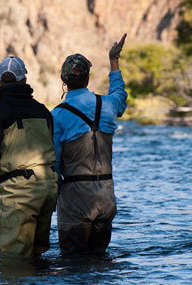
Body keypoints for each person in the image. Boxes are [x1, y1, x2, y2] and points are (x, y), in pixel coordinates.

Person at [51, 34, 128, 255]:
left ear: (64, 81)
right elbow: (120, 94)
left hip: (75, 198)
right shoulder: (108, 104)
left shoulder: (57, 115)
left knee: (72, 264)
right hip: (106, 195)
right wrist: (114, 61)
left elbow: (53, 163)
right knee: (100, 261)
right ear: (87, 78)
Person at [0, 56, 58, 258]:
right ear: (24, 80)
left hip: (19, 191)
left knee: (12, 259)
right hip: (48, 186)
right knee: (36, 254)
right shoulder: (42, 109)